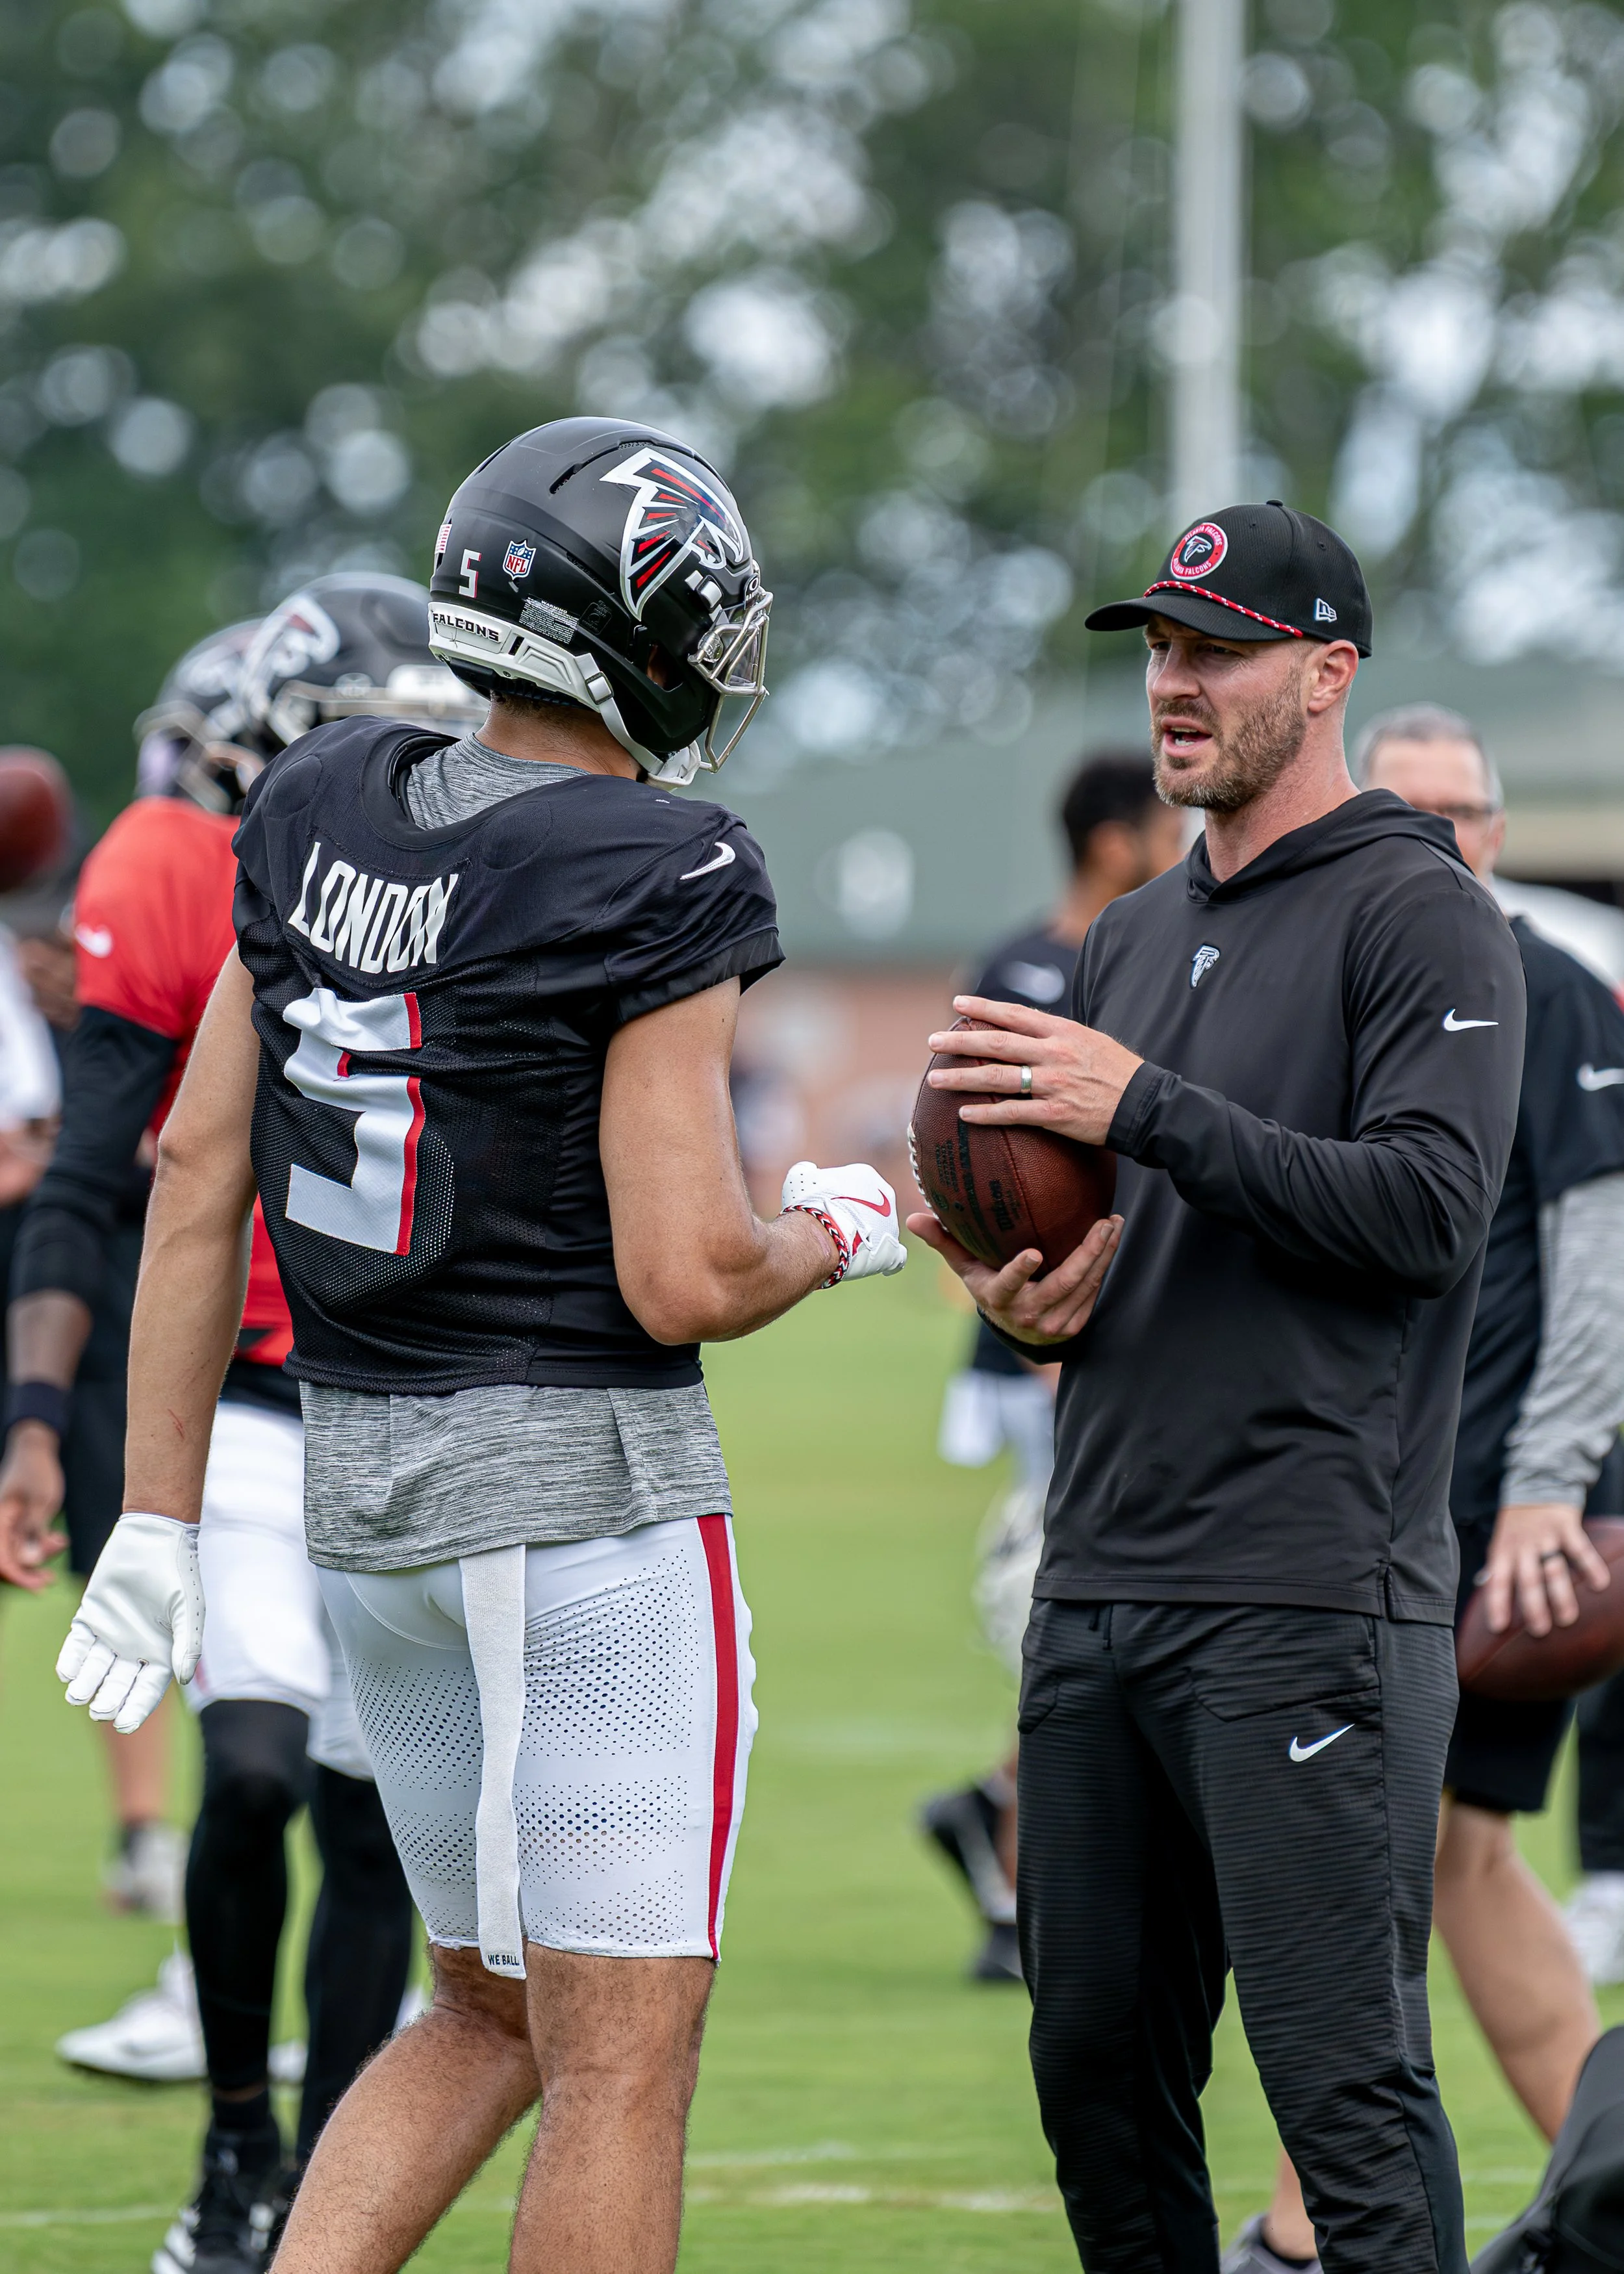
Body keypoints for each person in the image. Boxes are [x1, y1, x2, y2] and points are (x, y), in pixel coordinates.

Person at [54, 413, 907, 2274]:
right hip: (582, 1502)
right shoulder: (662, 855)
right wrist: (836, 1231)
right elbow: (685, 1273)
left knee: (479, 2010)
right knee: (618, 2060)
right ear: (634, 630)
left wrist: (161, 1513)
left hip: (365, 1498)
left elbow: (196, 1165)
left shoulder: (316, 793)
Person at [912, 502, 1526, 2274]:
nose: (1173, 684)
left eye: (1218, 652)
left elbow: (1425, 1214)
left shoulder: (1421, 911)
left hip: (1304, 1594)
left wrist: (1144, 1107)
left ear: (1326, 673)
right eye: (1161, 650)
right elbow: (1143, 1240)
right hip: (1099, 1576)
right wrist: (1030, 1299)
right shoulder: (1126, 934)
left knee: (1343, 2099)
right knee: (1094, 2084)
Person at [0, 583, 479, 2274]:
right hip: (251, 1400)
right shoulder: (176, 868)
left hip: (412, 1395)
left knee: (367, 1813)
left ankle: (326, 2192)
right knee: (260, 1767)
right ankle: (231, 2147)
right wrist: (36, 1420)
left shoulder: (488, 875)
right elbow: (88, 1177)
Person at [1228, 704, 1624, 2273]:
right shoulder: (1336, 985)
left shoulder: (1545, 984)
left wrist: (1544, 1487)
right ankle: (1592, 2194)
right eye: (1412, 808)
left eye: (1466, 810)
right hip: (1358, 1491)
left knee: (1375, 1851)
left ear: (1499, 833)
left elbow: (1599, 1265)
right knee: (1449, 1858)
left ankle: (1301, 2231)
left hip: (1492, 1513)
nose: (1445, 836)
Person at [924, 751, 1184, 1983]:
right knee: (1072, 1611)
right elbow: (976, 1152)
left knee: (1096, 1611)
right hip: (1046, 1337)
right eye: (1163, 829)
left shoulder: (1153, 954)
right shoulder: (1030, 966)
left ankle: (999, 1817)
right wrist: (1044, 1351)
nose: (1180, 847)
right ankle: (1022, 1875)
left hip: (1108, 1327)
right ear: (1115, 843)